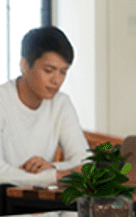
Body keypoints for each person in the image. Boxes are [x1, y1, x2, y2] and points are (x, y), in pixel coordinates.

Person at [0, 26, 89, 186]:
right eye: (49, 70)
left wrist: (53, 167)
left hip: (42, 202)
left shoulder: (61, 103)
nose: (56, 81)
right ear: (25, 65)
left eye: (63, 72)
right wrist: (53, 176)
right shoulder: (3, 100)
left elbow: (85, 161)